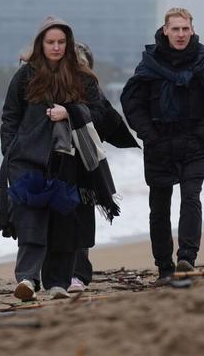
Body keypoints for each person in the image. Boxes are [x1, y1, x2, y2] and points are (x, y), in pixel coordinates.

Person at [1, 16, 122, 301]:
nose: (55, 47)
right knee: (31, 218)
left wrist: (70, 112)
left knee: (64, 223)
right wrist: (10, 152)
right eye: (50, 42)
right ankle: (28, 280)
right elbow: (9, 116)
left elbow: (102, 114)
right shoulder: (25, 76)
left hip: (70, 161)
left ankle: (57, 283)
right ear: (40, 44)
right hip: (28, 159)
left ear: (67, 44)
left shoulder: (82, 77)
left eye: (60, 42)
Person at [120, 7, 204, 283]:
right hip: (159, 143)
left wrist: (201, 133)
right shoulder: (149, 63)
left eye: (185, 29)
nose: (181, 34)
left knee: (191, 198)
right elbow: (132, 103)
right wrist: (148, 135)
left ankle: (187, 259)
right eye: (175, 29)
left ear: (192, 30)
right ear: (165, 30)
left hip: (193, 142)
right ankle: (164, 268)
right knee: (159, 208)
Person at [68, 41, 137, 293]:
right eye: (73, 61)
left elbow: (101, 117)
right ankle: (54, 273)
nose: (78, 66)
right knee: (55, 217)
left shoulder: (91, 87)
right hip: (55, 161)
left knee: (82, 215)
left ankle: (78, 275)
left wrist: (75, 113)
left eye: (82, 62)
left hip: (86, 162)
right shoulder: (50, 84)